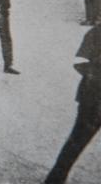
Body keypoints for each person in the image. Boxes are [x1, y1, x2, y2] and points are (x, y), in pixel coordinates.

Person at [45, 19, 101, 183]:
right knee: (77, 142)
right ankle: (55, 179)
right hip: (92, 100)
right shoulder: (96, 33)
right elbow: (79, 61)